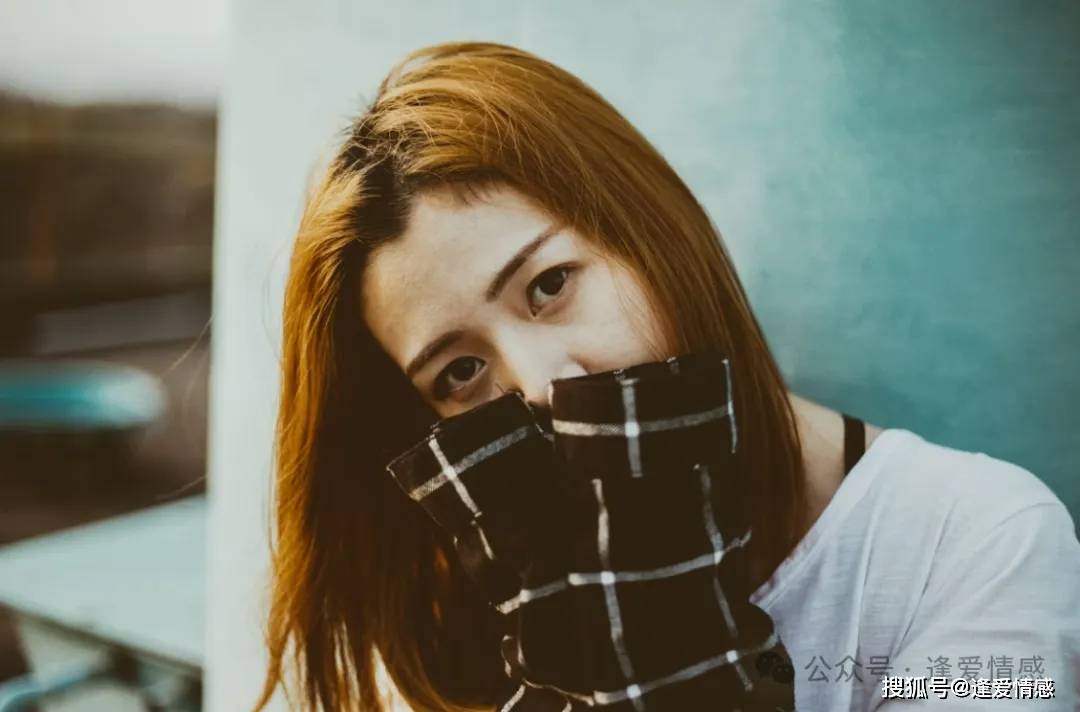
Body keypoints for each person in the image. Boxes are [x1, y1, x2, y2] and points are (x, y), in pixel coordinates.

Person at [254, 42, 1080, 711]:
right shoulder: (465, 605)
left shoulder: (975, 542)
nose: (537, 387)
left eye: (550, 285)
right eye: (462, 371)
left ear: (654, 236)